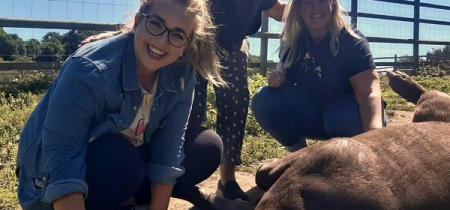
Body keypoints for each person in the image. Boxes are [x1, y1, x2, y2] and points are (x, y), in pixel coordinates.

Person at [15, 0, 227, 209]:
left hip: (126, 160)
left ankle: (129, 200)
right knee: (122, 162)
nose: (162, 41)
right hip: (50, 174)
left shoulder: (183, 74)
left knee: (206, 147)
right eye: (156, 24)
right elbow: (62, 160)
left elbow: (170, 147)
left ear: (186, 46)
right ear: (137, 22)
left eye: (178, 35)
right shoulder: (88, 70)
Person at [78, 0, 287, 201]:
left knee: (236, 99)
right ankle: (177, 172)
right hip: (189, 42)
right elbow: (164, 10)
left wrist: (312, 5)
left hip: (232, 47)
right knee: (190, 106)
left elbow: (283, 12)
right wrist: (122, 34)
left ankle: (227, 179)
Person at [251, 0, 387, 153]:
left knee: (337, 117)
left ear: (333, 4)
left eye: (322, 1)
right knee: (264, 99)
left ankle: (352, 158)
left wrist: (375, 136)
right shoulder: (292, 39)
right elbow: (285, 68)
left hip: (350, 116)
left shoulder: (350, 39)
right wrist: (280, 75)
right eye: (308, 3)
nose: (316, 8)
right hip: (316, 114)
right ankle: (300, 156)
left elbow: (369, 91)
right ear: (299, 9)